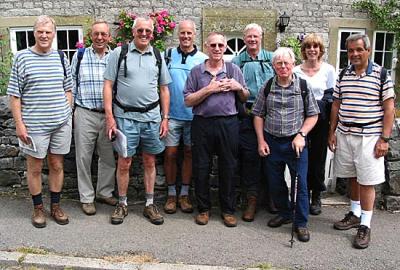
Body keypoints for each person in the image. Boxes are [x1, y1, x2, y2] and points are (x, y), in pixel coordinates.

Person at [328, 34, 395, 249]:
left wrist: (384, 139)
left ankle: (365, 225)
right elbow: (336, 105)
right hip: (345, 134)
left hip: (369, 136)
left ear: (368, 50)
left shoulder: (381, 74)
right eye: (350, 51)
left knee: (367, 181)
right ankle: (355, 213)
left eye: (358, 50)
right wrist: (332, 132)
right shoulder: (343, 74)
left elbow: (389, 109)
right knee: (352, 177)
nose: (354, 54)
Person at [103, 17, 171, 225]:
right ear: (133, 32)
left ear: (153, 33)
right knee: (124, 162)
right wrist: (110, 117)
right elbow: (108, 85)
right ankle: (122, 204)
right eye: (140, 30)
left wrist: (165, 118)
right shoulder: (119, 53)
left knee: (150, 161)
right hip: (124, 118)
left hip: (151, 118)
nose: (144, 34)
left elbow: (164, 89)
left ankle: (149, 204)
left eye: (147, 31)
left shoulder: (157, 55)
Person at [7, 15, 73, 228]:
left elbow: (68, 88)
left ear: (54, 34)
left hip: (61, 124)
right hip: (34, 126)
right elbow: (14, 95)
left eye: (48, 32)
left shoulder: (62, 57)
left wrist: (67, 111)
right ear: (34, 33)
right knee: (34, 168)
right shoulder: (22, 58)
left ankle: (55, 206)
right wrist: (19, 124)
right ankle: (38, 209)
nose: (44, 35)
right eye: (40, 32)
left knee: (56, 165)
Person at [252, 47, 319, 242]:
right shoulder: (267, 86)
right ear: (273, 66)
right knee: (275, 182)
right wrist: (261, 140)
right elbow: (258, 114)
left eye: (286, 63)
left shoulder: (303, 87)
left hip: (295, 143)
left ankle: (301, 223)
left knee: (301, 184)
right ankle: (285, 212)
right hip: (272, 141)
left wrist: (301, 134)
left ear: (292, 64)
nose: (282, 67)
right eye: (278, 63)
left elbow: (313, 115)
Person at [184, 32, 249, 227]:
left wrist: (238, 87)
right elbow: (187, 101)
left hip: (228, 123)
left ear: (225, 47)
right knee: (201, 167)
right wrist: (208, 90)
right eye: (213, 45)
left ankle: (228, 210)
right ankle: (203, 209)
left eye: (221, 45)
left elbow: (245, 96)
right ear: (206, 46)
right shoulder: (196, 72)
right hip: (202, 123)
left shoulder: (233, 69)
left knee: (228, 167)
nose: (217, 49)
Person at [71, 20, 117, 216]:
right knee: (83, 157)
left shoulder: (115, 56)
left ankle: (104, 192)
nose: (100, 37)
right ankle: (87, 197)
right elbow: (71, 82)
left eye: (103, 34)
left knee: (108, 157)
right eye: (96, 34)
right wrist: (71, 110)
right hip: (85, 112)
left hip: (108, 115)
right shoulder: (80, 55)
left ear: (109, 37)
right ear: (90, 35)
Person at [163, 20, 207, 214]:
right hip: (171, 115)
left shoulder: (203, 58)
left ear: (194, 34)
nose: (186, 36)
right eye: (183, 33)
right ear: (178, 34)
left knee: (189, 154)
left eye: (189, 33)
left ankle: (184, 194)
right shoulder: (167, 55)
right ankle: (171, 194)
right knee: (170, 154)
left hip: (194, 116)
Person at [232, 23, 275, 222]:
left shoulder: (273, 59)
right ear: (244, 38)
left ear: (261, 37)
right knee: (250, 158)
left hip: (273, 116)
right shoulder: (236, 62)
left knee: (274, 157)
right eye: (249, 37)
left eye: (255, 36)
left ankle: (274, 197)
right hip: (247, 115)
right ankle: (251, 199)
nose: (252, 40)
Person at [293, 33, 336, 215]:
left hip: (321, 119)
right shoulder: (296, 71)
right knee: (300, 156)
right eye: (308, 47)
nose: (312, 50)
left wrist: (318, 109)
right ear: (303, 50)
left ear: (320, 50)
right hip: (300, 119)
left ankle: (316, 194)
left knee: (318, 158)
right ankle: (301, 193)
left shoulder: (328, 70)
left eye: (315, 47)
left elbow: (331, 97)